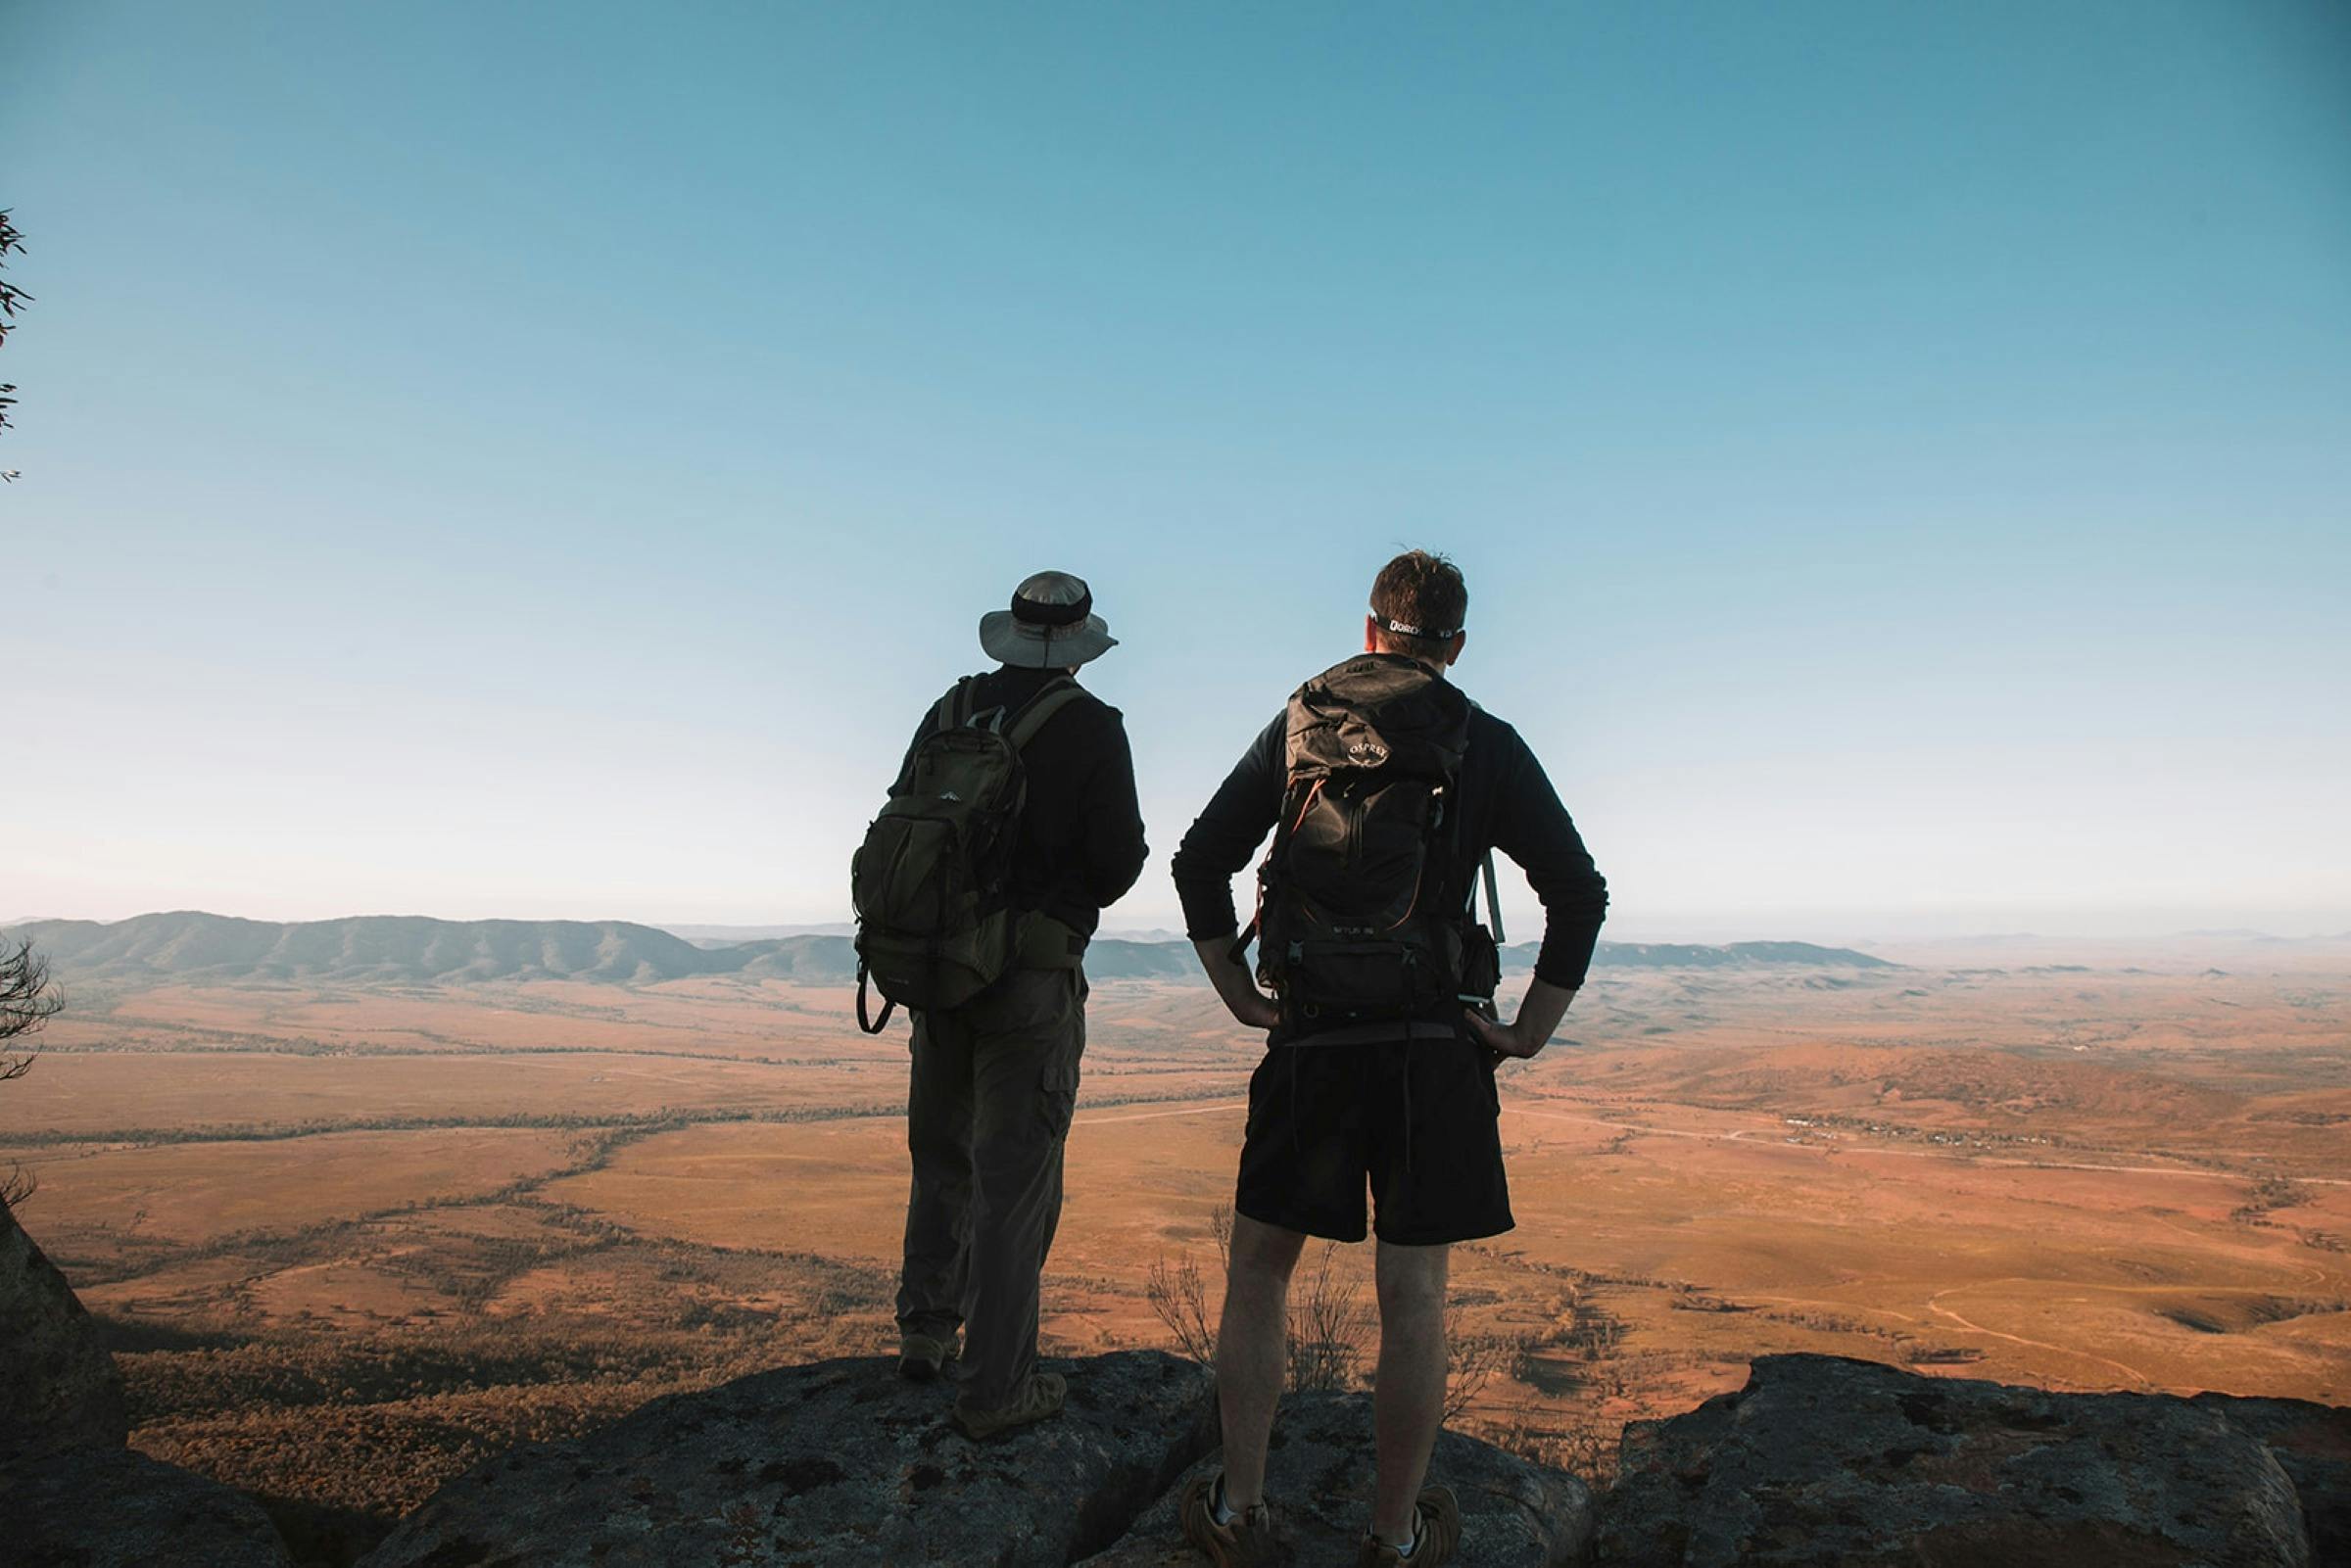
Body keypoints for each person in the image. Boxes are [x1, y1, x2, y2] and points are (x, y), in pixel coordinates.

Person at [1168, 549, 1607, 1566]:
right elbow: (1577, 890)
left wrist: (1238, 990)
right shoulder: (1483, 741)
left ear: (1369, 630)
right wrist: (1531, 1025)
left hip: (1311, 1035)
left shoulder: (1298, 725)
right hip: (1432, 1049)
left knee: (1259, 1275)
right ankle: (1393, 1535)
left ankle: (1237, 1511)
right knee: (1413, 1295)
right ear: (1454, 644)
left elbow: (1200, 858)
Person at [887, 570, 1147, 1440]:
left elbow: (900, 819)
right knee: (1015, 1181)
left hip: (939, 968)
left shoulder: (954, 708)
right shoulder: (1092, 727)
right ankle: (997, 1388)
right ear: (1076, 642)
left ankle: (925, 1330)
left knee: (941, 1152)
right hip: (1029, 978)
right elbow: (1118, 860)